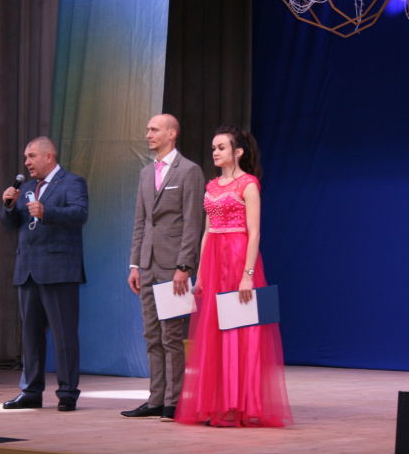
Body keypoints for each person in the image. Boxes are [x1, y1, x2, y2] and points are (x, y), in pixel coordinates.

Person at [175, 125, 293, 427]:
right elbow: (206, 233)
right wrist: (201, 275)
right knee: (214, 331)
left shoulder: (249, 184)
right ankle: (215, 403)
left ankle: (236, 405)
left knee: (239, 331)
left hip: (238, 258)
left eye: (222, 147)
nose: (215, 152)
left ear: (238, 152)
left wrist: (247, 275)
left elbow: (254, 233)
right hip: (214, 261)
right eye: (214, 148)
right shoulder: (212, 186)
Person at [122, 114, 205, 421]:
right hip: (147, 264)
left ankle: (174, 400)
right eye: (148, 130)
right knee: (151, 335)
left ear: (172, 133)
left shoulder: (189, 171)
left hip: (173, 266)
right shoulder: (146, 173)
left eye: (154, 129)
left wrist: (185, 265)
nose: (148, 134)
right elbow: (141, 221)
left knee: (171, 336)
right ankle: (155, 399)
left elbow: (192, 223)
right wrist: (135, 264)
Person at [0, 136, 88, 412]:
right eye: (25, 158)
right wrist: (8, 206)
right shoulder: (26, 188)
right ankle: (30, 391)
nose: (26, 162)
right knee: (30, 336)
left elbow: (79, 214)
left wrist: (47, 212)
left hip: (59, 271)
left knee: (64, 335)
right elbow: (11, 225)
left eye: (31, 156)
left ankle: (68, 392)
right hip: (28, 270)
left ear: (49, 156)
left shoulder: (72, 182)